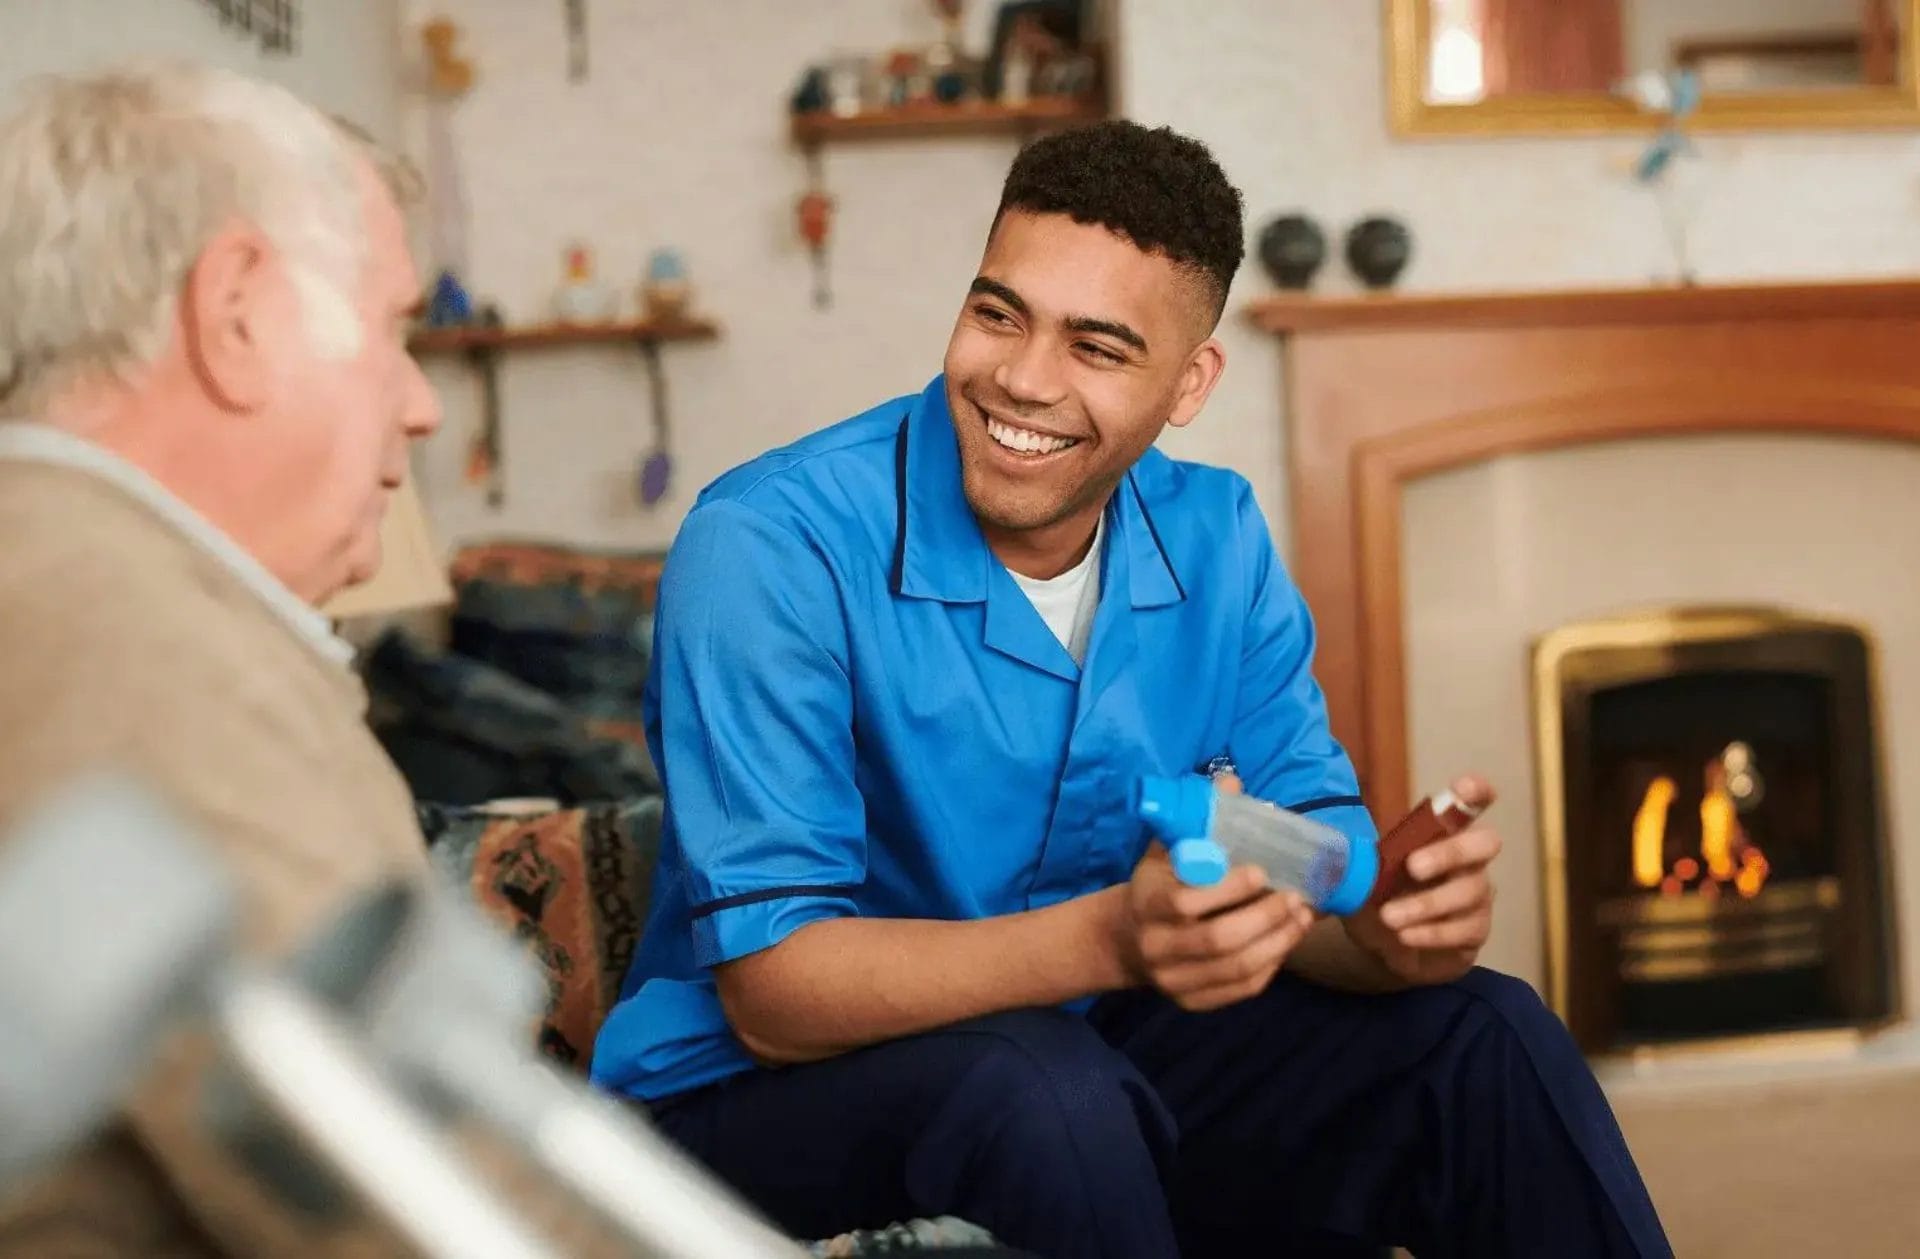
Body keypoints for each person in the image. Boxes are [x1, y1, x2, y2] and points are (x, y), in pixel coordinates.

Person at [593, 121, 1672, 1258]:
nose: (1020, 377)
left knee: (1483, 1030)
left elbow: (1294, 866)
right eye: (998, 312)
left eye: (1097, 348)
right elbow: (774, 992)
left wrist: (1389, 933)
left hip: (1095, 1047)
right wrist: (1115, 939)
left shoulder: (1219, 539)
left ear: (1189, 381)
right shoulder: (767, 545)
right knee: (1047, 1091)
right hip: (750, 1098)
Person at [0, 62, 440, 1256]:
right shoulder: (123, 633)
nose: (421, 403)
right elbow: (418, 1198)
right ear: (238, 310)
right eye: (398, 326)